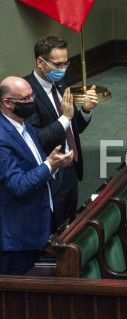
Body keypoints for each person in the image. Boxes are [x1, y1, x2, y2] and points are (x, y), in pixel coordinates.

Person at [0, 76, 73, 275]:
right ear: (8, 103)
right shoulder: (2, 138)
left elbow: (37, 166)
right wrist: (49, 165)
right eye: (26, 99)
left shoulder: (24, 125)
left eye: (32, 96)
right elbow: (18, 184)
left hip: (38, 225)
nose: (32, 101)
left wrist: (55, 165)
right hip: (18, 237)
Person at [25, 36, 99, 231]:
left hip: (71, 167)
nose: (62, 68)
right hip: (50, 174)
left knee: (70, 226)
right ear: (40, 62)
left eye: (66, 63)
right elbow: (36, 138)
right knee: (54, 230)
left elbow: (73, 129)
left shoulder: (61, 84)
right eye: (57, 64)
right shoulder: (26, 93)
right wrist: (65, 118)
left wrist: (85, 110)